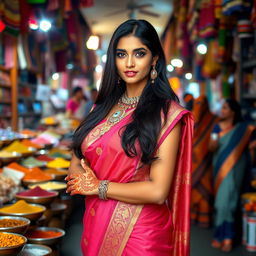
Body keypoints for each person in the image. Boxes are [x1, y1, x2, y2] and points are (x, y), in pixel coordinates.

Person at [66, 19, 193, 256]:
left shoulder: (167, 115)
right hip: (96, 224)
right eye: (121, 54)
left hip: (141, 235)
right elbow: (78, 156)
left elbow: (158, 191)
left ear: (154, 58)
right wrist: (80, 178)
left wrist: (98, 186)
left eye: (140, 53)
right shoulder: (101, 108)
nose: (130, 63)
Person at [209, 99, 255, 252]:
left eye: (225, 108)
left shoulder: (243, 128)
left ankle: (226, 237)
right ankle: (221, 236)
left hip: (236, 169)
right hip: (221, 169)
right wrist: (213, 143)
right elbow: (211, 146)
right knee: (222, 203)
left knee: (230, 202)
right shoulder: (217, 127)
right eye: (222, 107)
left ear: (233, 111)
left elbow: (250, 147)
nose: (222, 110)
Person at [191, 95, 217, 228]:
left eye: (202, 103)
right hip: (193, 162)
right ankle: (194, 217)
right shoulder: (191, 118)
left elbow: (215, 137)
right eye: (197, 103)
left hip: (207, 161)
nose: (199, 106)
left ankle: (205, 219)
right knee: (194, 188)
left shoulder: (214, 119)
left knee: (205, 187)